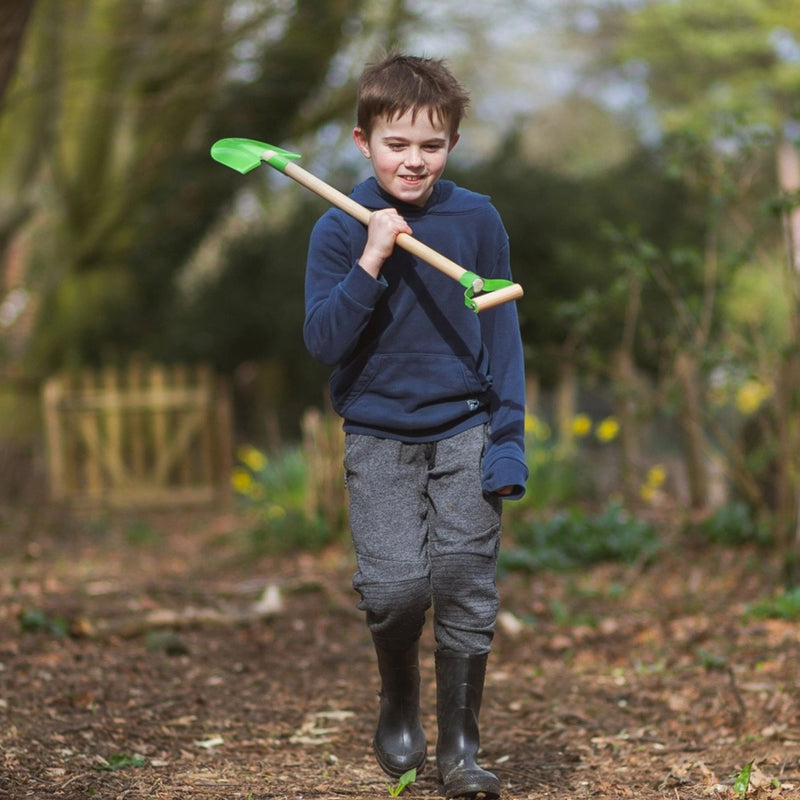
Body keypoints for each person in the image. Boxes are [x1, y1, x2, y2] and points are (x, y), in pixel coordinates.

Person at [303, 52, 528, 800]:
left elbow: (503, 335)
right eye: (397, 144)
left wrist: (508, 438)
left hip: (465, 424)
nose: (414, 160)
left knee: (464, 579)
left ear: (451, 146)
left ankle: (462, 747)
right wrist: (370, 258)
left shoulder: (476, 220)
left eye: (431, 145)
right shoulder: (339, 228)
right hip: (377, 431)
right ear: (363, 141)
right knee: (395, 589)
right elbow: (323, 343)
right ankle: (398, 693)